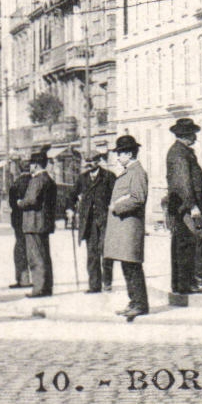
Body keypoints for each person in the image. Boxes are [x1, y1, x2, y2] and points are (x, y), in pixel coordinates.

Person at [104, 135, 150, 321]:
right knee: (127, 267)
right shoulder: (129, 171)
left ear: (129, 154)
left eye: (120, 154)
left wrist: (117, 207)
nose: (117, 157)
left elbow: (138, 198)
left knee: (132, 267)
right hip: (124, 228)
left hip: (130, 228)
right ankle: (134, 302)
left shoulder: (137, 172)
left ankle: (140, 304)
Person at [164, 118, 202, 296]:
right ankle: (185, 284)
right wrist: (192, 206)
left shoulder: (179, 152)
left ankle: (181, 284)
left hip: (180, 206)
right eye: (193, 134)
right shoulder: (180, 153)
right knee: (187, 244)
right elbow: (184, 182)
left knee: (181, 244)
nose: (195, 138)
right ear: (185, 135)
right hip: (185, 208)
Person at [65, 150, 116, 294]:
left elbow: (116, 195)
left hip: (105, 220)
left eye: (92, 161)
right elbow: (71, 196)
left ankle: (107, 282)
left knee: (106, 252)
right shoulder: (82, 178)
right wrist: (70, 209)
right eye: (86, 161)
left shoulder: (108, 176)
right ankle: (94, 285)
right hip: (89, 221)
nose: (88, 164)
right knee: (92, 253)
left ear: (98, 161)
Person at [18, 148, 57, 298]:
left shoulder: (37, 180)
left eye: (31, 164)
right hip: (44, 223)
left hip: (33, 224)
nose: (30, 166)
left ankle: (39, 288)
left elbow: (31, 200)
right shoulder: (49, 180)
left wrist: (21, 202)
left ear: (35, 165)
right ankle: (46, 287)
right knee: (45, 256)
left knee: (36, 258)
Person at [6, 158, 32, 290]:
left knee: (20, 249)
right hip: (33, 221)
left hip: (19, 220)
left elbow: (12, 203)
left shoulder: (16, 184)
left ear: (19, 169)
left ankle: (23, 279)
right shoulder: (35, 182)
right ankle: (36, 279)